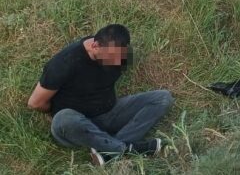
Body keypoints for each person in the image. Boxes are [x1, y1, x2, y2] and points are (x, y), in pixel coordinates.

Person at [27, 24, 174, 166]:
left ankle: (108, 151)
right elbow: (34, 103)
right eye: (110, 58)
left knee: (162, 98)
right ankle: (129, 149)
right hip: (76, 124)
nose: (116, 62)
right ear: (95, 46)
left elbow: (126, 61)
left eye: (119, 57)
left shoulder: (121, 55)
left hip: (109, 112)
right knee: (63, 118)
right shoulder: (64, 63)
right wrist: (57, 110)